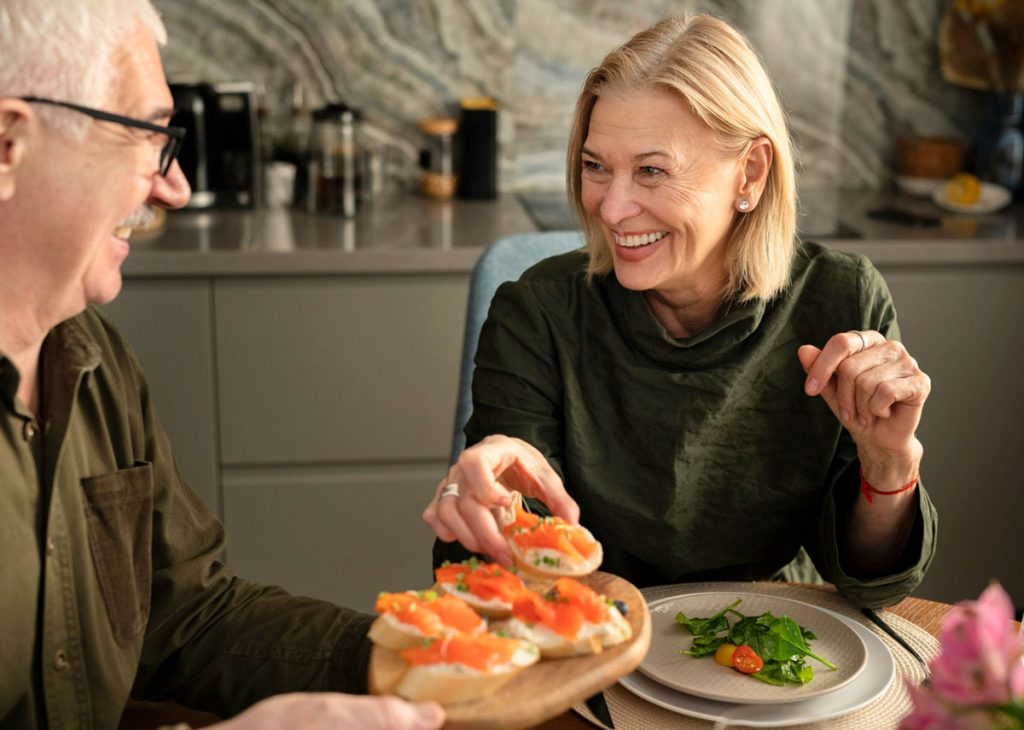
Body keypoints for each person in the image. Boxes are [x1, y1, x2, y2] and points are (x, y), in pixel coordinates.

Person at [0, 2, 443, 728]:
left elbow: (186, 614)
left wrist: (419, 654)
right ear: (8, 142)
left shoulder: (94, 361)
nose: (171, 187)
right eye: (145, 136)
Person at [424, 14, 937, 610]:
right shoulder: (537, 313)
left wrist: (888, 462)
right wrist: (488, 505)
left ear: (750, 172)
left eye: (651, 170)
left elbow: (870, 580)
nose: (612, 210)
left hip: (778, 634)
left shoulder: (843, 301)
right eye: (596, 167)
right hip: (599, 630)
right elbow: (504, 575)